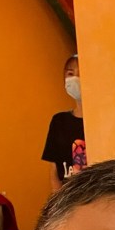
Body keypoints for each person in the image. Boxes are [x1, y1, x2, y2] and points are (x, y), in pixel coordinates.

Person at [42, 53, 87, 192]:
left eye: (80, 74)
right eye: (70, 73)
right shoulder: (59, 122)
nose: (75, 78)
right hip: (68, 198)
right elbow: (54, 170)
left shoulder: (102, 123)